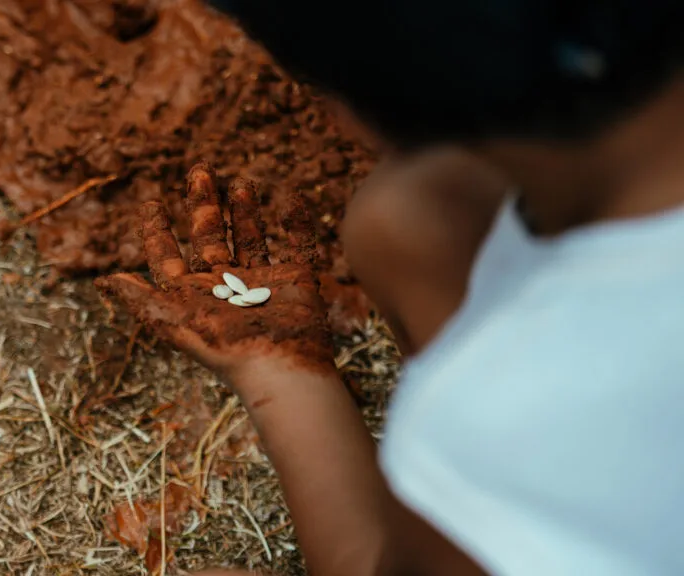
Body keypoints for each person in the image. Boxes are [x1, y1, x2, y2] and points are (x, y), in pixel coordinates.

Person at [97, 0, 684, 574]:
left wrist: (277, 382)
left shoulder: (506, 418)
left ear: (351, 109)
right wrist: (283, 358)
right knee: (408, 215)